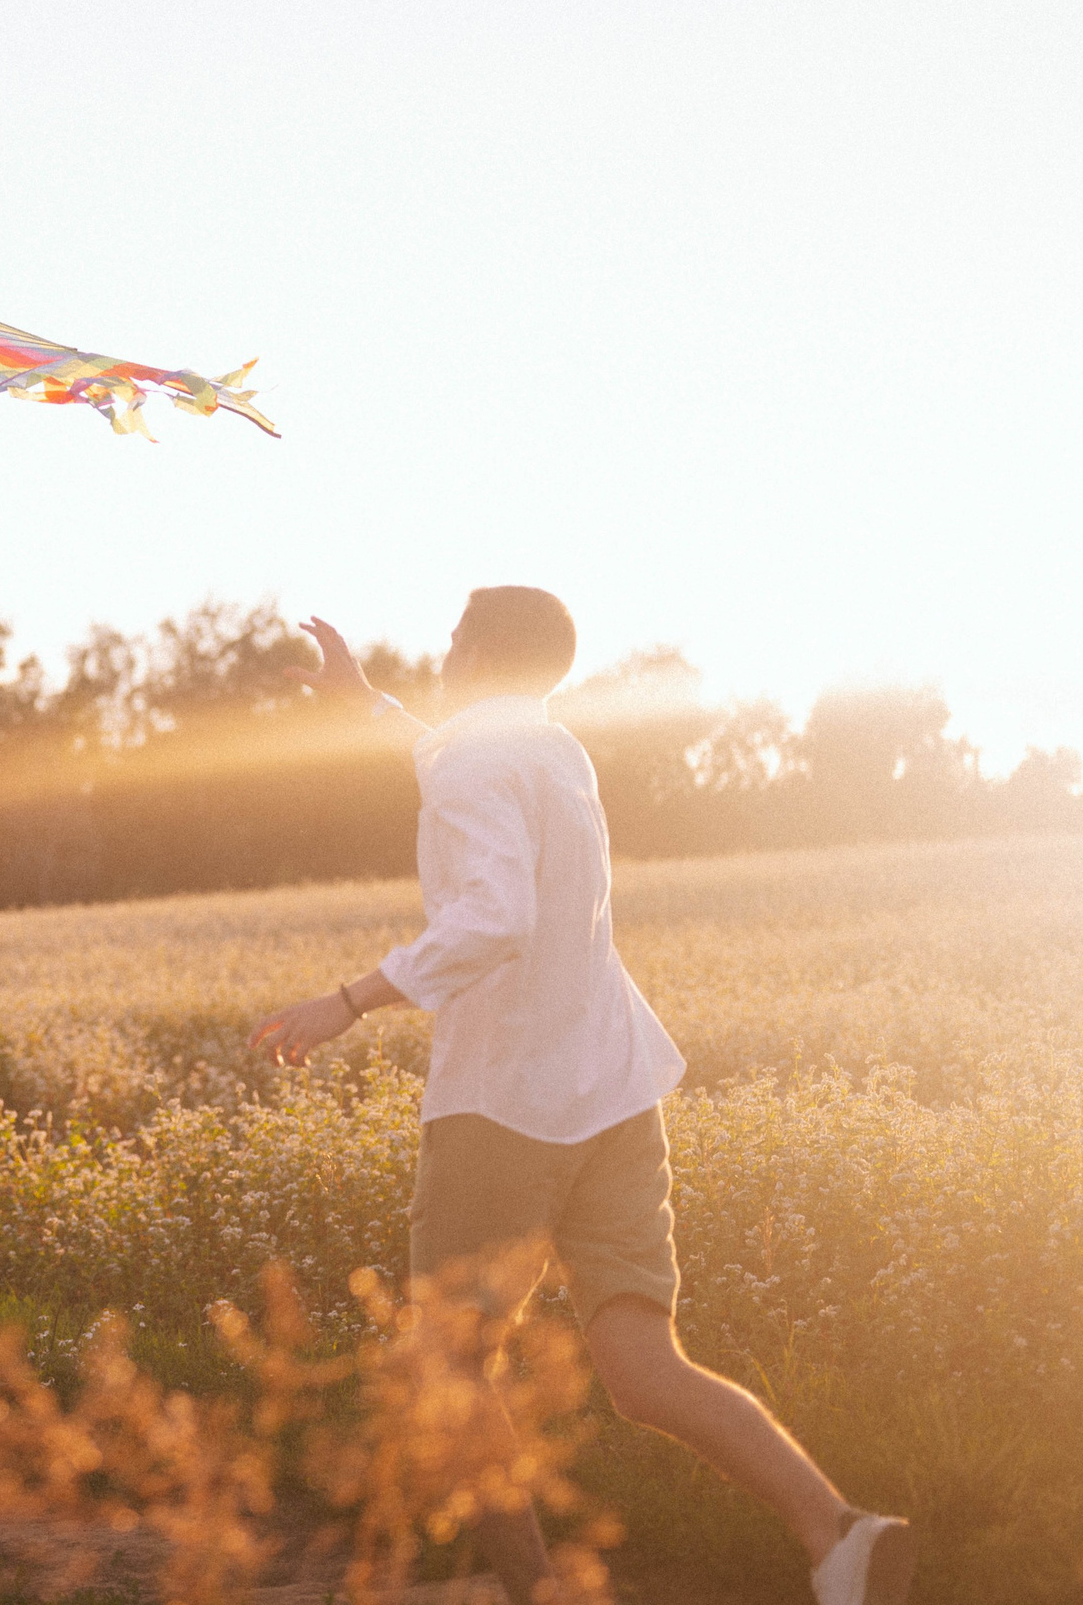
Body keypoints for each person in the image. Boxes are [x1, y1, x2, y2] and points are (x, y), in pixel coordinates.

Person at [252, 588, 913, 1605]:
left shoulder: (476, 760)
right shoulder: (552, 751)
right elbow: (459, 763)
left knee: (447, 1367)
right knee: (646, 1368)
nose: (440, 656)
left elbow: (492, 915)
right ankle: (837, 1533)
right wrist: (369, 703)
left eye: (448, 642)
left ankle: (534, 1591)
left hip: (504, 1105)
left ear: (471, 653)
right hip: (612, 1087)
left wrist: (347, 998)